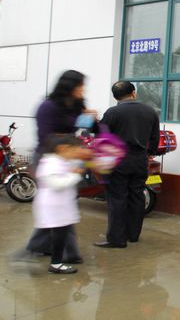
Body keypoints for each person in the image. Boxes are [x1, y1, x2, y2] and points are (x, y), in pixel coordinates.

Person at [25, 70, 97, 263]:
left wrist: (92, 120)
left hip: (68, 157)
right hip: (48, 159)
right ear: (69, 86)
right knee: (60, 204)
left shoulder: (77, 105)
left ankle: (39, 245)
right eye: (80, 86)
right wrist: (72, 150)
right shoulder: (47, 107)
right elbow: (46, 138)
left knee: (62, 203)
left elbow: (87, 129)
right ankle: (68, 253)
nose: (83, 90)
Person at [95, 81, 160, 248]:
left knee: (117, 198)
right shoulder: (150, 111)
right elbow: (155, 138)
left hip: (118, 161)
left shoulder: (112, 112)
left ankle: (117, 239)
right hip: (140, 160)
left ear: (115, 96)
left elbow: (101, 137)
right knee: (137, 196)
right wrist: (149, 153)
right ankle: (133, 235)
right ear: (133, 92)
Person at [33, 134, 89, 274]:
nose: (76, 153)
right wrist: (75, 174)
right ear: (62, 148)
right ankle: (55, 264)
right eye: (74, 150)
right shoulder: (50, 163)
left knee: (60, 234)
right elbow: (57, 184)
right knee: (58, 235)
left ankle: (55, 261)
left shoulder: (62, 160)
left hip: (60, 206)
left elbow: (78, 164)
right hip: (53, 206)